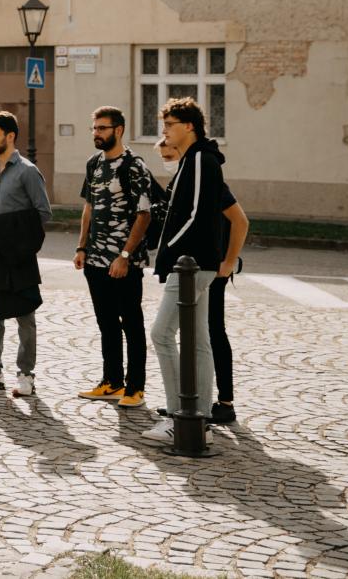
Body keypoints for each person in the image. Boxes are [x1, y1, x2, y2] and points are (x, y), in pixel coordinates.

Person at [142, 98, 249, 446]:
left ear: (189, 125)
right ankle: (199, 416)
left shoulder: (201, 158)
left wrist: (169, 250)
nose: (165, 131)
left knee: (161, 334)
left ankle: (179, 414)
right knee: (200, 341)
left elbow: (198, 214)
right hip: (193, 264)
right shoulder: (192, 159)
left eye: (169, 124)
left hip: (190, 265)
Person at [0, 111, 52, 399]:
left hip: (18, 255)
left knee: (25, 317)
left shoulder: (27, 171)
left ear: (10, 136)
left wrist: (21, 244)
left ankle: (26, 375)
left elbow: (43, 212)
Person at [73, 107, 154, 409]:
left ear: (118, 130)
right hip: (94, 259)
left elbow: (144, 215)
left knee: (131, 323)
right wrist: (82, 247)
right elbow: (88, 208)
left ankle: (135, 388)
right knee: (106, 322)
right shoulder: (93, 164)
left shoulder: (134, 166)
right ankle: (112, 381)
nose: (96, 133)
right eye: (94, 128)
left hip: (124, 262)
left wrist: (124, 255)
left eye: (102, 128)